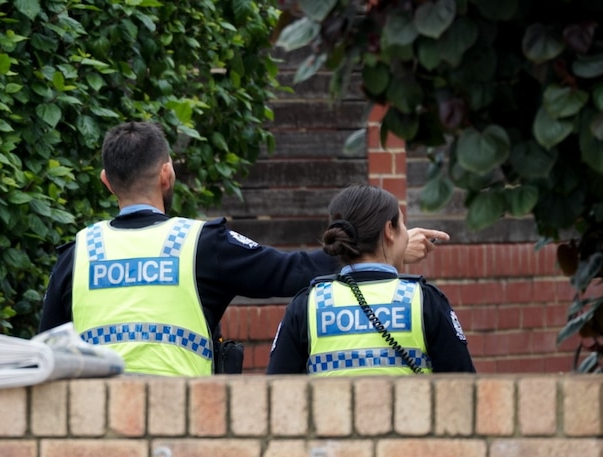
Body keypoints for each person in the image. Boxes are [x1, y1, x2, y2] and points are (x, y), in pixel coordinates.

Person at [39, 121, 449, 376]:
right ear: (167, 174)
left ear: (106, 181)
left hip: (96, 424)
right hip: (184, 421)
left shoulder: (78, 253)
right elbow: (289, 272)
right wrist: (382, 249)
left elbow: (47, 352)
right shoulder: (200, 244)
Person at [266, 183, 475, 375]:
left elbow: (275, 393)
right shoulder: (424, 300)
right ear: (389, 230)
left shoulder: (307, 305)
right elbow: (464, 388)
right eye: (402, 225)